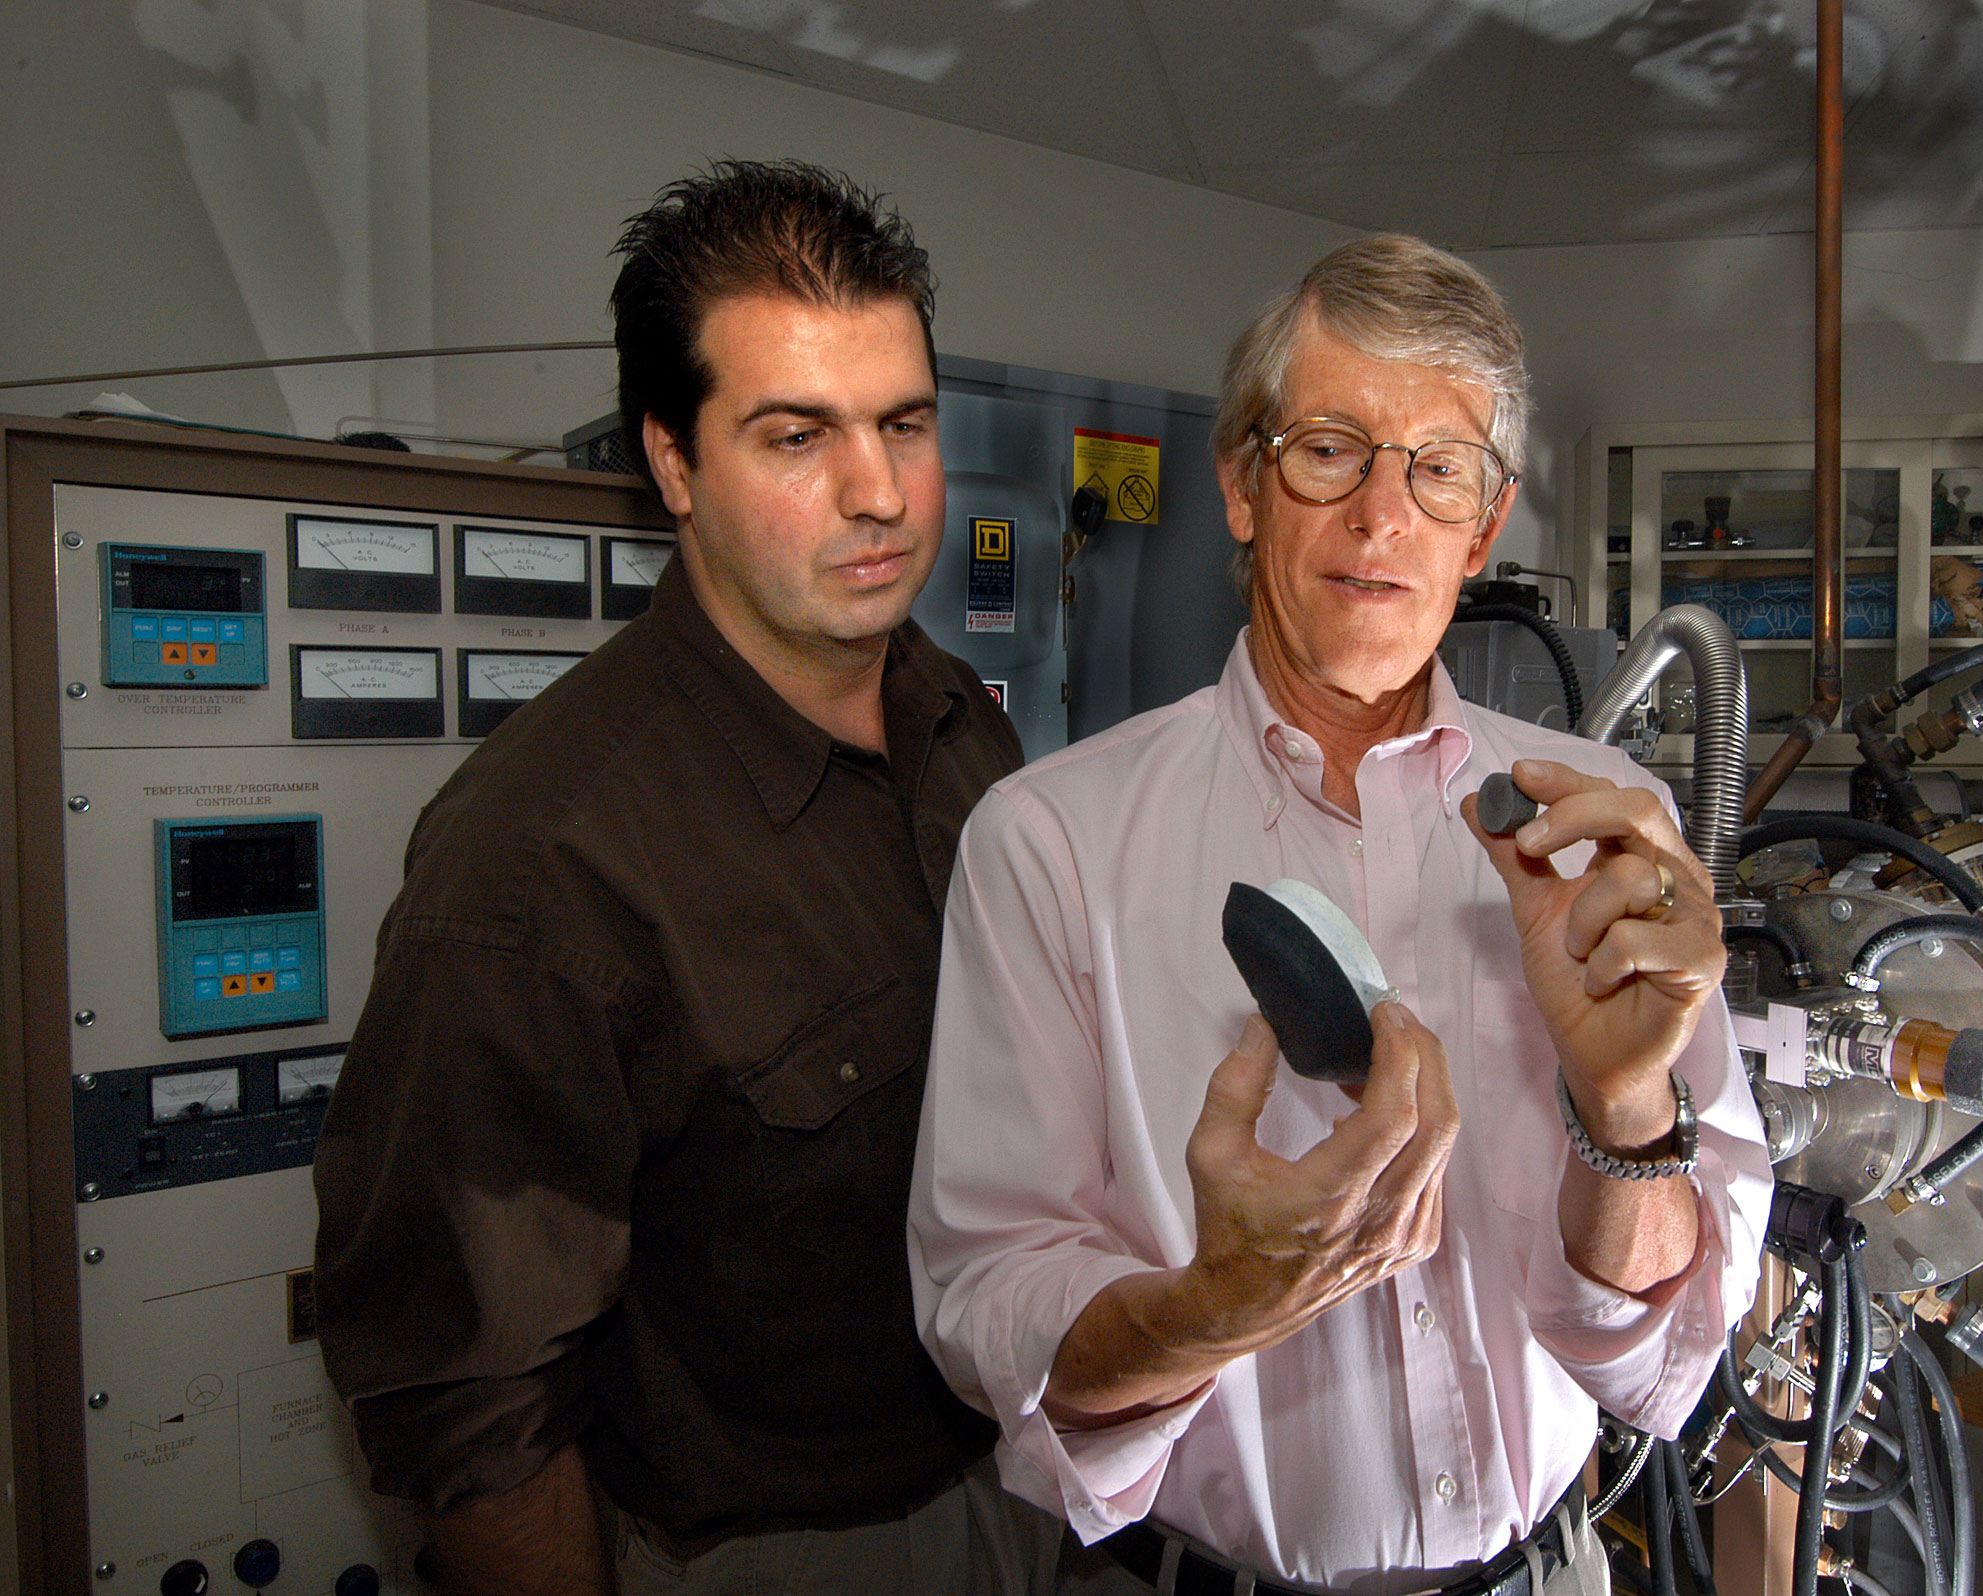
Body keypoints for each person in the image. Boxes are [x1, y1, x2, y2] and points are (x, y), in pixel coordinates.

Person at [910, 234, 1772, 1595]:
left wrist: (1623, 1112)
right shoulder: (1052, 844)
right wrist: (1214, 1309)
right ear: (1242, 484)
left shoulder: (1605, 829)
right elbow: (987, 1306)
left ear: (1483, 525)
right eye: (1329, 450)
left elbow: (1664, 1348)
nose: (1382, 517)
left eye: (1438, 468)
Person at [315, 160, 1057, 1596]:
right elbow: (467, 1402)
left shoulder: (963, 724)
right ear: (674, 465)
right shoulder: (538, 863)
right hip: (776, 1551)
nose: (879, 494)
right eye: (798, 436)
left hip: (1019, 1479)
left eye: (904, 424)